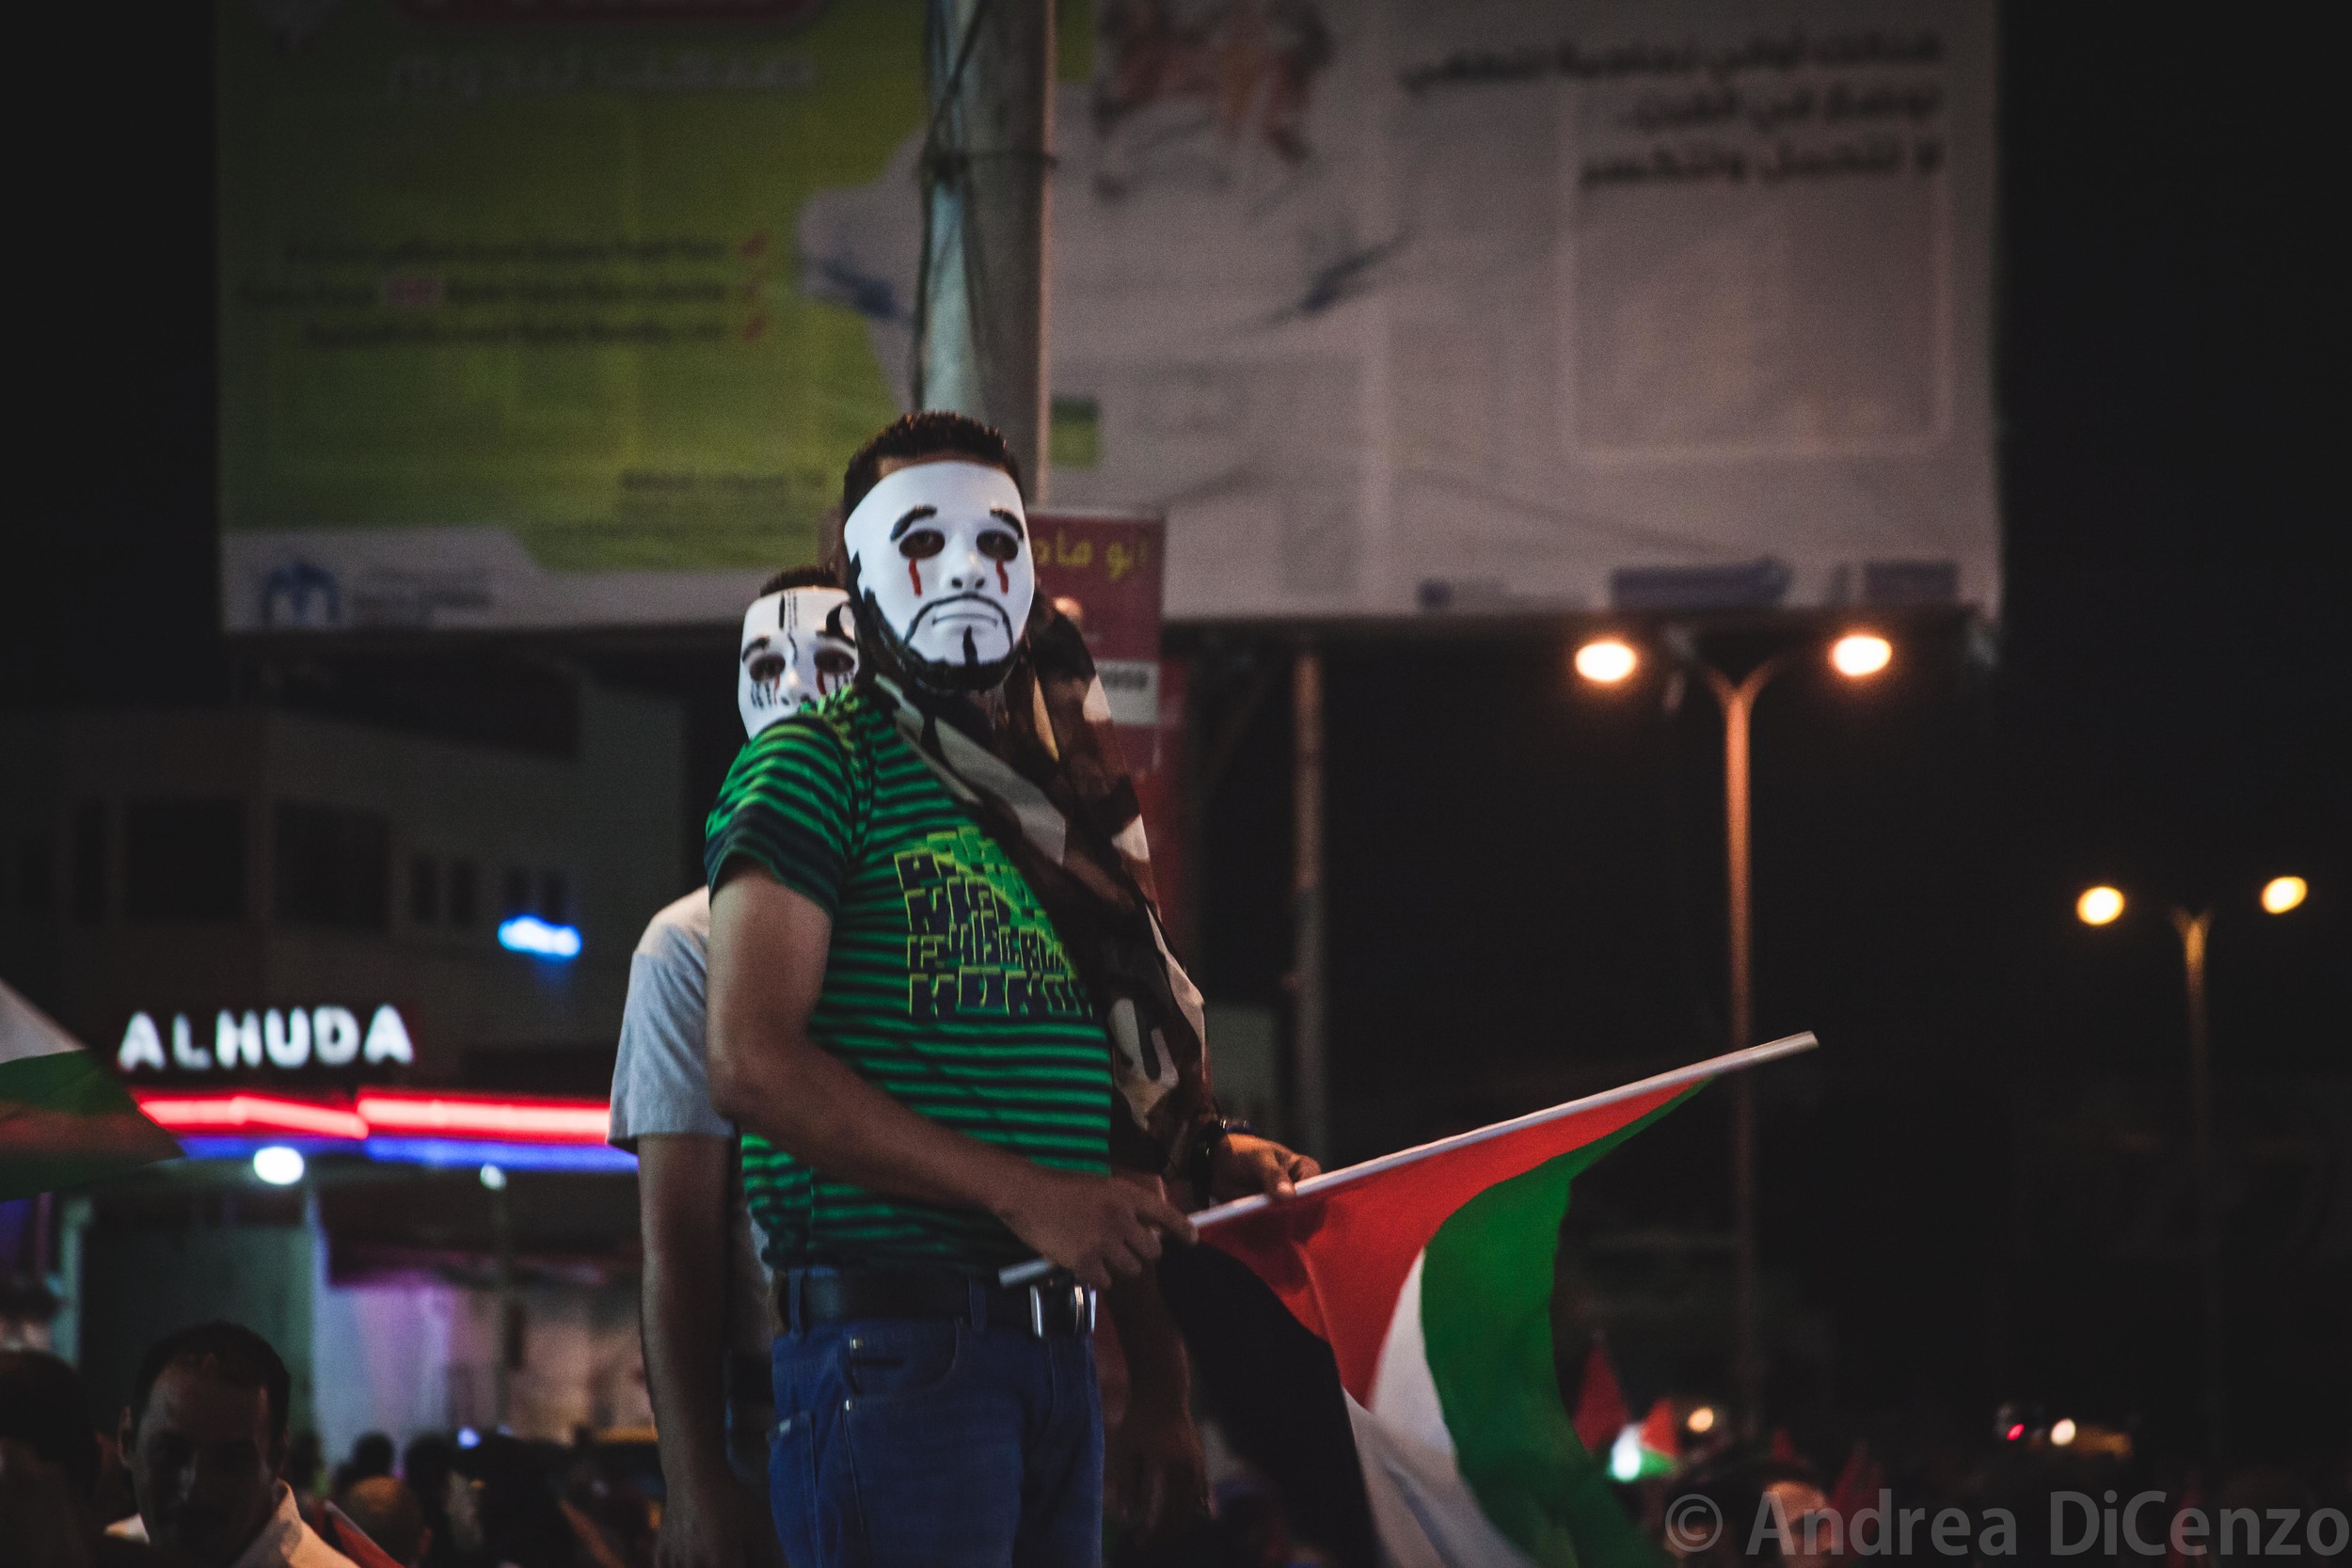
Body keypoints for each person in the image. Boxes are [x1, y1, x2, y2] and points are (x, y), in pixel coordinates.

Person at [704, 412, 1315, 1568]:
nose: (969, 573)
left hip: (1049, 1359)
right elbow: (750, 1058)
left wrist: (1199, 1165)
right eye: (923, 539)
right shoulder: (810, 762)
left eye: (998, 542)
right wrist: (1021, 1192)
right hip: (892, 1357)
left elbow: (1100, 1099)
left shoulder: (1050, 809)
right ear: (853, 566)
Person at [612, 565, 858, 1568]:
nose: (798, 688)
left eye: (833, 662)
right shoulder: (689, 945)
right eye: (768, 663)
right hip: (784, 1400)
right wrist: (695, 1476)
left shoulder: (934, 907)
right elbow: (678, 1244)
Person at [115, 1321, 358, 1568]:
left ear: (277, 1459)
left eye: (229, 1461)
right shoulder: (96, 1556)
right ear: (126, 1440)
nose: (195, 1492)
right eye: (171, 1452)